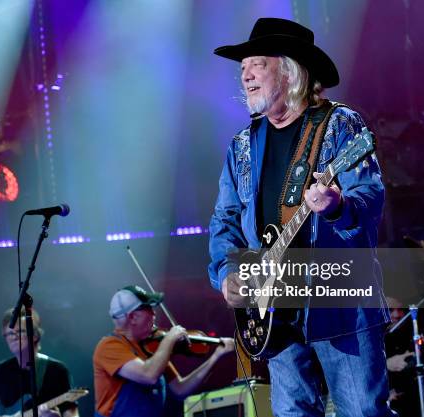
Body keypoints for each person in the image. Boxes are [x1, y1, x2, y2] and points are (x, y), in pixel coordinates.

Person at [208, 18, 396, 416]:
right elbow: (224, 220)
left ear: (290, 70)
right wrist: (226, 271)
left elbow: (370, 196)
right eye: (242, 68)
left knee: (363, 411)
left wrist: (337, 207)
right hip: (274, 312)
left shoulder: (340, 124)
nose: (246, 74)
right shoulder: (241, 147)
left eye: (256, 63)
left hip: (340, 306)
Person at [93, 285, 235, 417]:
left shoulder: (151, 349)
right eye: (148, 308)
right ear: (132, 317)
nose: (154, 314)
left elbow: (180, 389)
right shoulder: (109, 346)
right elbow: (148, 375)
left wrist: (215, 357)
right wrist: (169, 340)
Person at [0, 307, 79, 417]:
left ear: (35, 335)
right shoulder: (0, 371)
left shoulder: (57, 371)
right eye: (9, 333)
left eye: (20, 331)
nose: (14, 337)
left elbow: (71, 412)